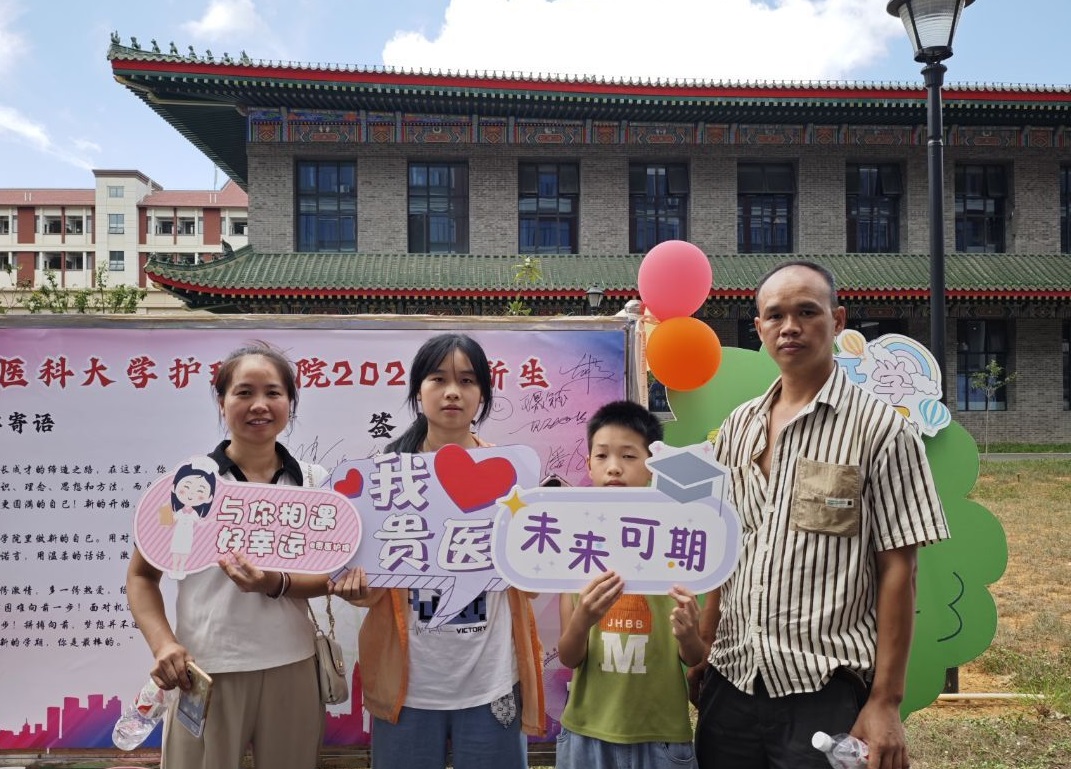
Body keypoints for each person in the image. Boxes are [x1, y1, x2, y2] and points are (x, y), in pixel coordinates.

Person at [691, 261, 949, 769]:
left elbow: (899, 570)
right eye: (776, 315)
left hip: (823, 690)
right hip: (731, 681)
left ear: (838, 320)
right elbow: (727, 546)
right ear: (759, 327)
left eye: (807, 312)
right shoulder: (738, 427)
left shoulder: (882, 431)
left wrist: (886, 700)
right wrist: (705, 645)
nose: (790, 327)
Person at [329, 332, 546, 769]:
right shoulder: (384, 478)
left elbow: (531, 581)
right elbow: (372, 586)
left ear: (482, 394)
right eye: (438, 379)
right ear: (418, 391)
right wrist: (356, 589)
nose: (452, 392)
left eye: (467, 381)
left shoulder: (512, 475)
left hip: (491, 680)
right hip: (407, 687)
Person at [127, 342, 329, 769]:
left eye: (273, 392)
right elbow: (142, 576)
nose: (260, 405)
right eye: (244, 392)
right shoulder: (187, 484)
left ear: (290, 402)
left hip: (293, 664)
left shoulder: (314, 482)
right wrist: (164, 643)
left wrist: (275, 583)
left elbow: (332, 576)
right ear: (221, 401)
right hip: (206, 668)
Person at [556, 400, 704, 769]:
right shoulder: (576, 547)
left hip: (661, 733)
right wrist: (583, 618)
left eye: (628, 456)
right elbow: (569, 656)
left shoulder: (678, 546)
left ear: (652, 465)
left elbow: (694, 656)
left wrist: (688, 634)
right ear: (588, 464)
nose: (614, 467)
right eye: (602, 455)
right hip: (588, 732)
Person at [166, 460, 216, 579]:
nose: (191, 494)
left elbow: (200, 523)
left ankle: (181, 568)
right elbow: (170, 522)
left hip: (188, 535)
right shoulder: (179, 512)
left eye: (200, 491)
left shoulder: (194, 513)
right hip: (178, 534)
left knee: (184, 552)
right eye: (186, 487)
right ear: (174, 487)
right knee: (176, 551)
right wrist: (165, 515)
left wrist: (210, 521)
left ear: (209, 498)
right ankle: (174, 568)